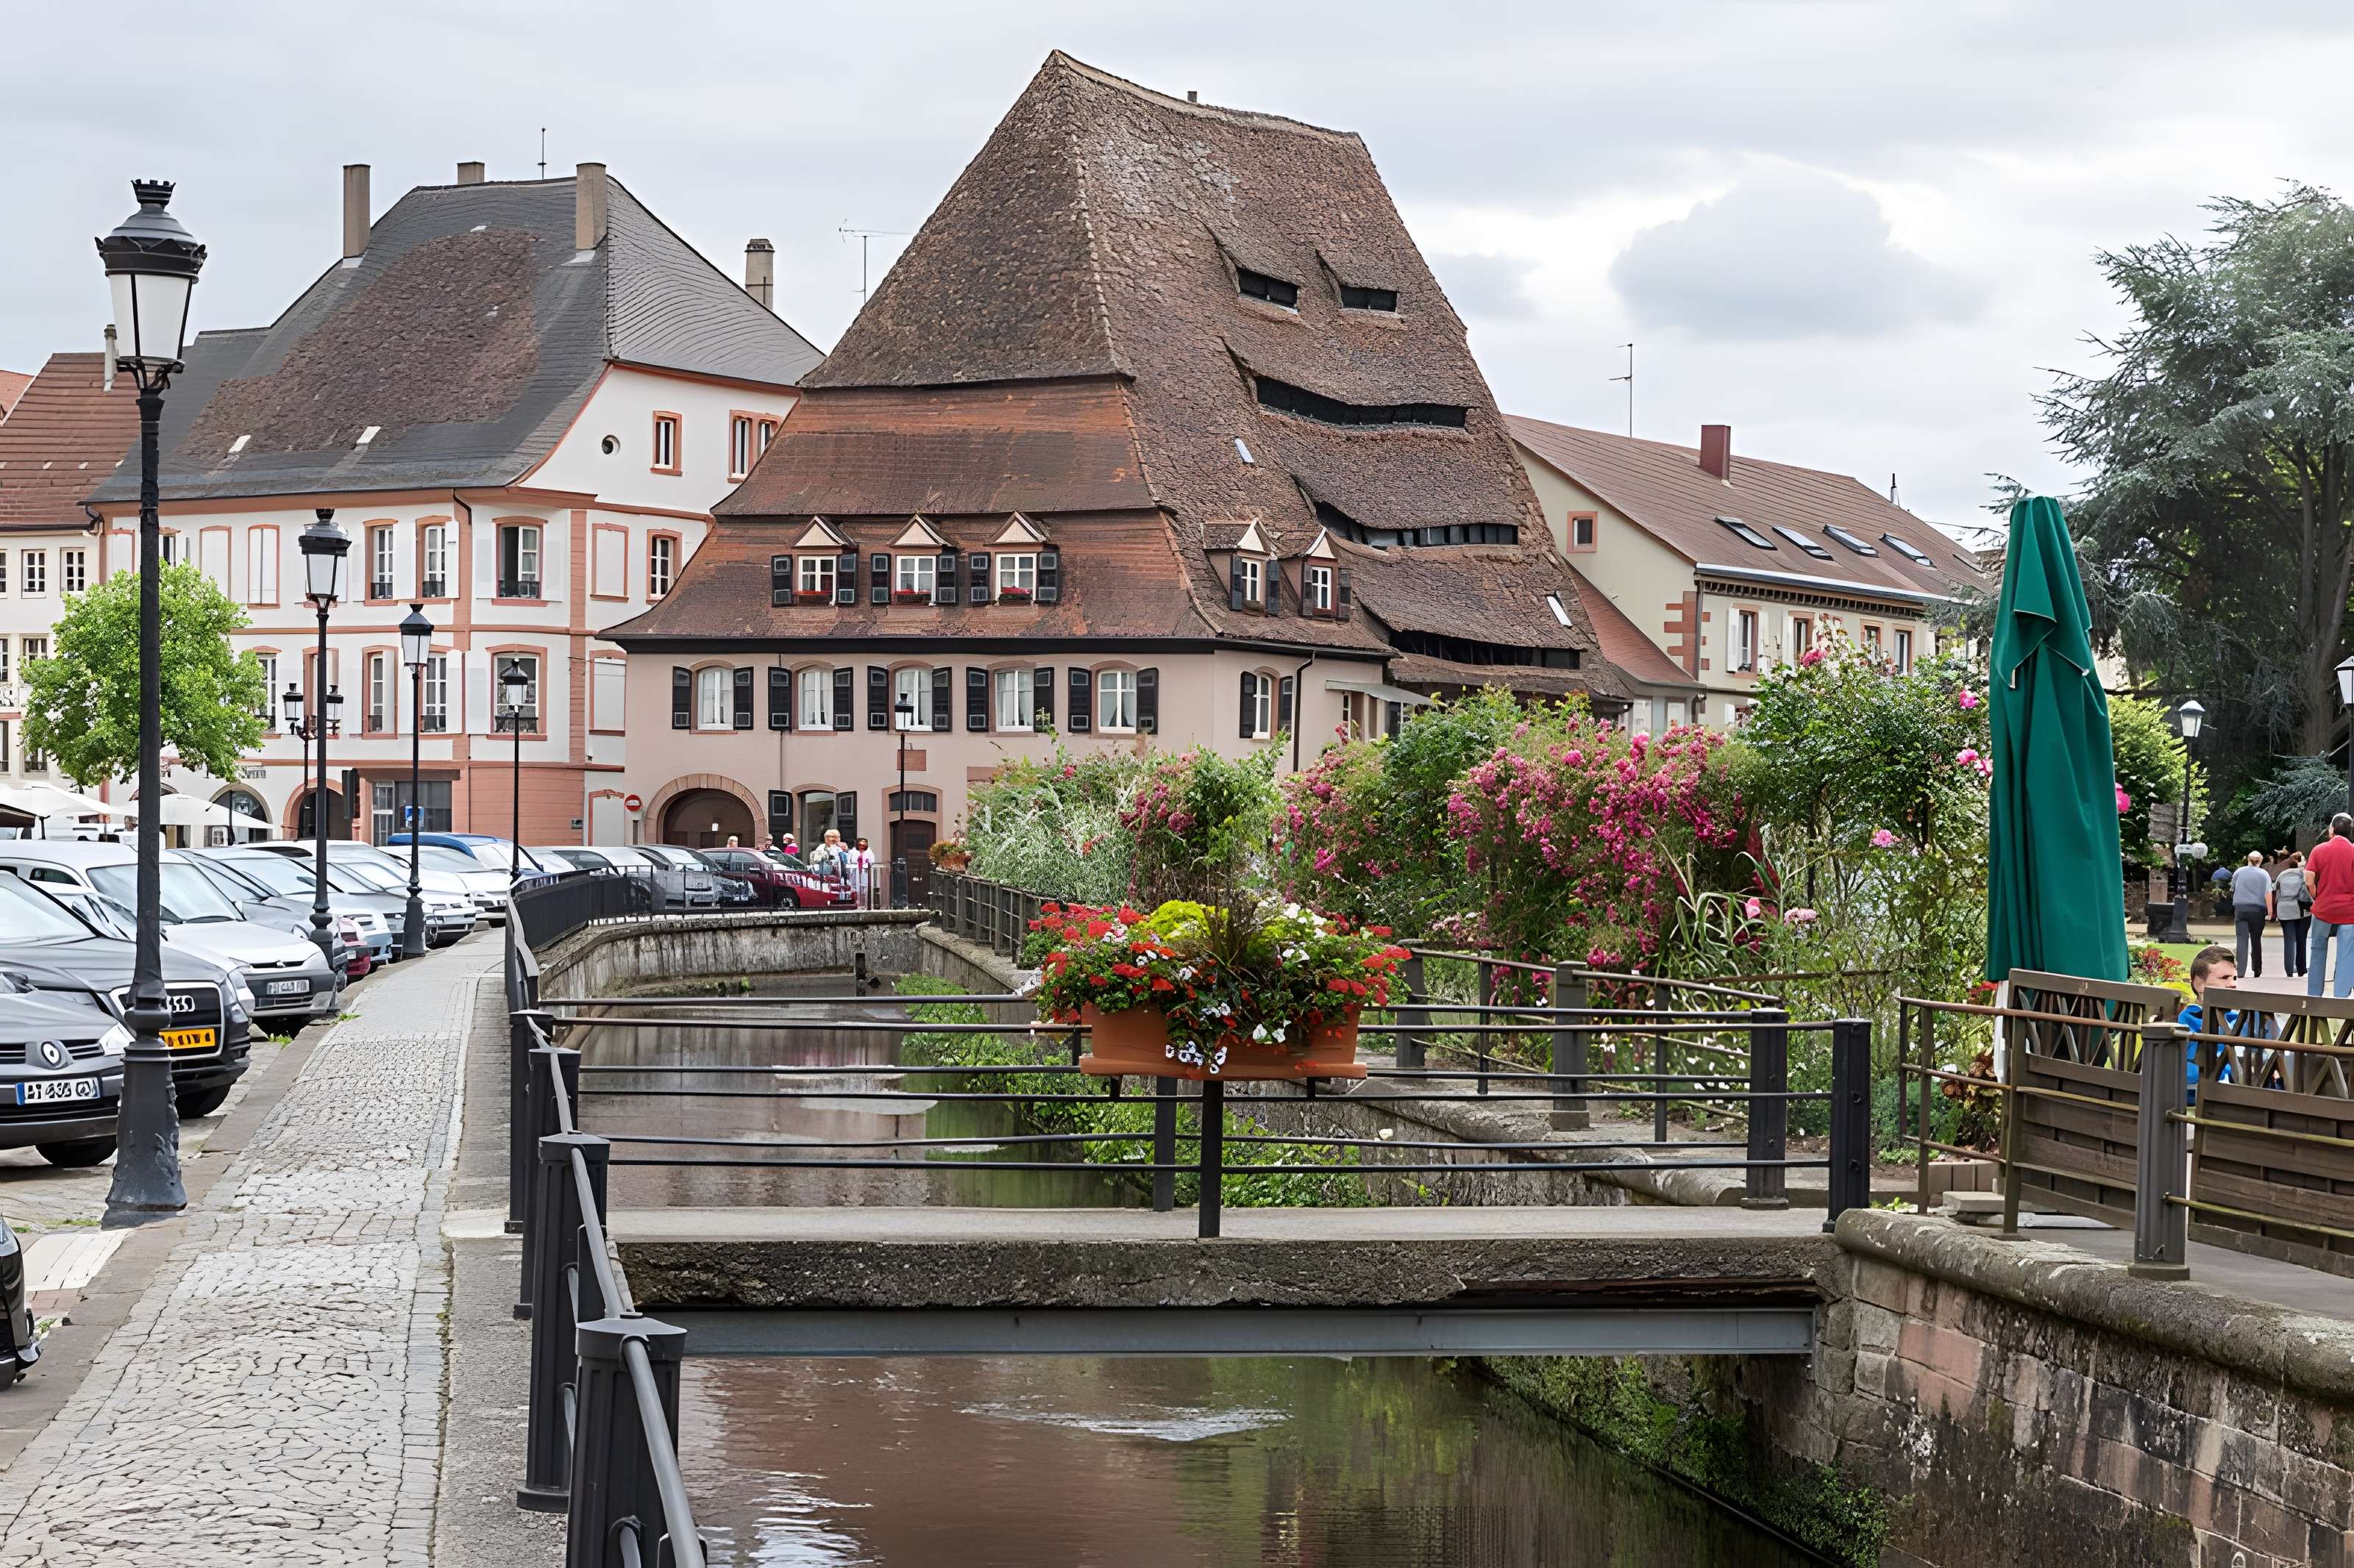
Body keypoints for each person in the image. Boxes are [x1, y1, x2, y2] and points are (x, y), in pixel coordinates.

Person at [2176, 945, 2241, 1096]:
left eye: (2235, 978)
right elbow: (2192, 1072)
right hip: (2205, 1093)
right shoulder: (2191, 1019)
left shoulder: (2238, 1017)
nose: (2233, 984)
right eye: (2224, 978)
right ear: (2200, 983)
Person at [2310, 814, 2354, 998]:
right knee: (2347, 953)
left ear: (2331, 830)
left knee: (2318, 950)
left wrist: (2316, 896)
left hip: (2323, 909)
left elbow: (2309, 879)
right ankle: (2341, 997)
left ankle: (2313, 995)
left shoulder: (2319, 850)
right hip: (2350, 912)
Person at [2230, 852, 2274, 978]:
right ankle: (2257, 968)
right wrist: (2270, 912)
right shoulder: (2264, 874)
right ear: (2260, 861)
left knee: (2241, 939)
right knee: (2256, 939)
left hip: (2241, 908)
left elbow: (2233, 888)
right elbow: (2268, 894)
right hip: (2258, 910)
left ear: (2248, 860)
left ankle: (2241, 971)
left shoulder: (2239, 872)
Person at [2275, 852, 2311, 980]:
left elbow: (2276, 892)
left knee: (2289, 941)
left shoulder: (2281, 875)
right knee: (2301, 941)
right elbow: (2306, 892)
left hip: (2284, 911)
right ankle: (2301, 969)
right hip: (2301, 911)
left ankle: (2289, 970)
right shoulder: (2302, 874)